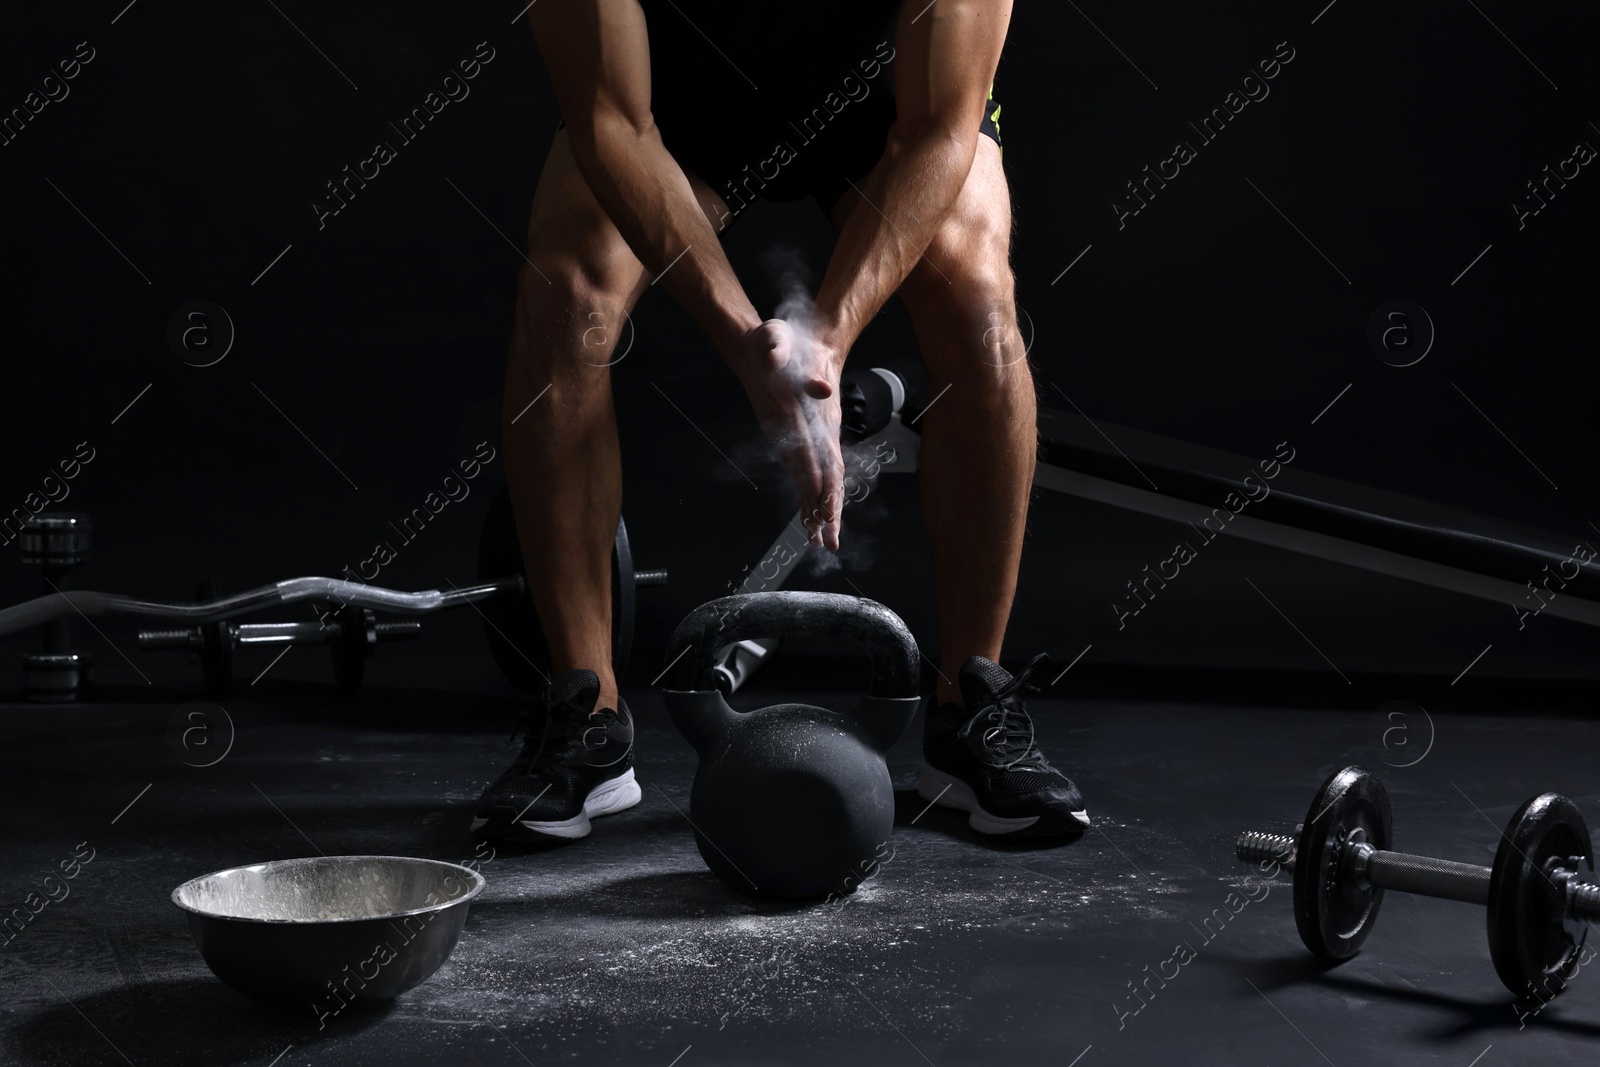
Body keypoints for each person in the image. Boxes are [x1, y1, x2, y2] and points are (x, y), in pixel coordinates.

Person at [472, 0, 1088, 845]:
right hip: (672, 106)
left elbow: (941, 127)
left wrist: (827, 341)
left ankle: (968, 709)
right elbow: (613, 121)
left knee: (979, 300)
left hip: (886, 103)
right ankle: (589, 715)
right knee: (563, 297)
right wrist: (748, 344)